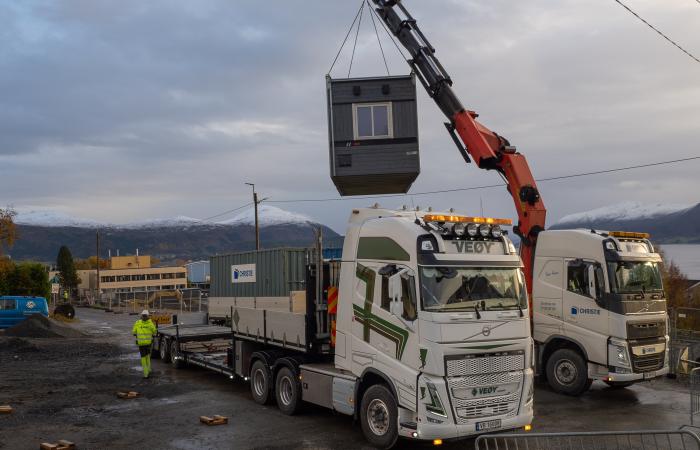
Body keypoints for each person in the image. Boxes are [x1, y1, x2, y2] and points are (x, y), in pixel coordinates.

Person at [132, 310, 157, 378]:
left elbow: (133, 332)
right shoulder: (150, 323)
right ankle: (149, 369)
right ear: (148, 316)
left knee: (143, 357)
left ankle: (145, 373)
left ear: (141, 315)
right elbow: (154, 331)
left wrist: (137, 333)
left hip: (141, 344)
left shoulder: (137, 323)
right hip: (148, 343)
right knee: (147, 356)